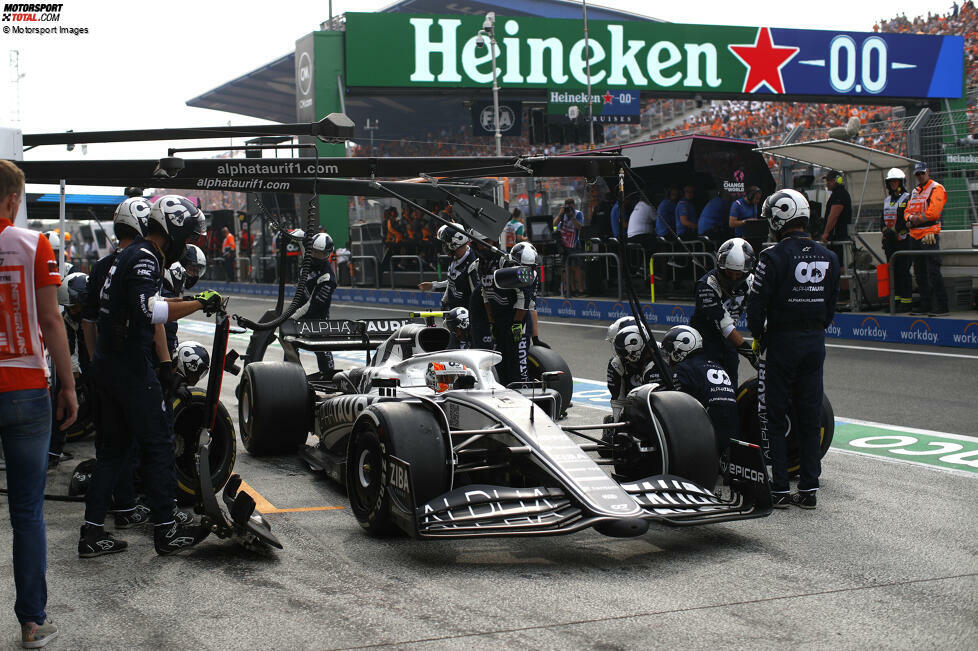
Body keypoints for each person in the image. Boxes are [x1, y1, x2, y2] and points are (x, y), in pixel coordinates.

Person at [80, 194, 220, 558]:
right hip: (129, 366)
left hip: (107, 366)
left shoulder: (123, 257)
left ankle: (92, 533)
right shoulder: (144, 258)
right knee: (159, 443)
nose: (187, 244)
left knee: (112, 452)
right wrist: (201, 303)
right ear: (172, 229)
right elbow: (150, 310)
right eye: (187, 235)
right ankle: (167, 529)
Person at [0, 160, 77, 648]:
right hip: (26, 386)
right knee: (27, 511)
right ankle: (32, 622)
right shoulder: (33, 245)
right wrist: (69, 386)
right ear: (12, 200)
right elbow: (52, 321)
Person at [747, 189, 840, 510]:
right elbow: (831, 307)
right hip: (815, 342)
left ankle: (781, 487)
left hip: (782, 343)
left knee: (774, 416)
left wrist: (759, 335)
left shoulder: (771, 257)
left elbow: (755, 307)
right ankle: (810, 487)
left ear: (778, 219)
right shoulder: (829, 257)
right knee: (810, 415)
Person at [660, 324, 738, 461]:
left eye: (670, 350)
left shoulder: (684, 368)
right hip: (733, 427)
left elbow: (679, 405)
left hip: (707, 429)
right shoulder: (715, 364)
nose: (668, 356)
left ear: (683, 347)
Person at [689, 237, 757, 388]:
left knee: (731, 388)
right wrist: (749, 353)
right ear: (720, 266)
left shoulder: (752, 282)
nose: (733, 278)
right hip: (703, 345)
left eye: (738, 274)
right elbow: (723, 324)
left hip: (729, 347)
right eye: (729, 273)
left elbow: (761, 311)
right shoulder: (706, 285)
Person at [478, 239, 535, 386]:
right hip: (499, 320)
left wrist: (517, 323)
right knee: (499, 359)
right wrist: (491, 322)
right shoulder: (481, 265)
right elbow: (485, 294)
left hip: (516, 320)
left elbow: (525, 298)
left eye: (530, 266)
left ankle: (522, 389)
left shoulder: (517, 272)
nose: (527, 269)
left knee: (518, 361)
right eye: (525, 265)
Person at [905, 162, 949, 316]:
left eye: (922, 173)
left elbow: (934, 213)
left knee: (933, 270)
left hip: (929, 234)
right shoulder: (915, 191)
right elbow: (907, 211)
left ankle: (942, 305)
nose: (920, 176)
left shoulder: (937, 188)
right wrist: (911, 218)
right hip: (915, 235)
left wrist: (915, 220)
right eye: (917, 174)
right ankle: (926, 304)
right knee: (919, 271)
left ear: (927, 172)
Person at [292, 232, 338, 376]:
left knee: (322, 349)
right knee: (290, 343)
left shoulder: (328, 278)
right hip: (298, 309)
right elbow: (298, 236)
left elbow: (313, 305)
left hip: (317, 317)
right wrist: (293, 235)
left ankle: (329, 376)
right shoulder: (308, 253)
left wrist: (292, 316)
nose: (316, 256)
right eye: (314, 252)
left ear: (327, 254)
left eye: (320, 254)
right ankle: (291, 374)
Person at [880, 168, 912, 313]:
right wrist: (884, 231)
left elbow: (905, 219)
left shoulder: (907, 198)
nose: (893, 184)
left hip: (902, 240)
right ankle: (896, 301)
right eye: (891, 181)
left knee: (903, 271)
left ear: (901, 182)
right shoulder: (887, 200)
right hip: (890, 241)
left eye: (896, 181)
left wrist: (896, 231)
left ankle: (906, 302)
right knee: (892, 272)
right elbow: (882, 220)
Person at [553, 198, 584, 296]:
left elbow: (579, 227)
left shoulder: (578, 214)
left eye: (570, 206)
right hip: (563, 245)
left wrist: (572, 217)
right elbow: (554, 224)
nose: (569, 209)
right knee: (566, 268)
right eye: (567, 207)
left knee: (576, 267)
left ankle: (580, 289)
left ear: (573, 205)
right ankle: (570, 289)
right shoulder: (562, 215)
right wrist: (560, 214)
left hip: (574, 243)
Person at [820, 170, 852, 246]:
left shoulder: (839, 194)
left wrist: (826, 233)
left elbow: (834, 215)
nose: (828, 183)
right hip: (837, 237)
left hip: (838, 238)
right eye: (827, 180)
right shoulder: (837, 194)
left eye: (831, 180)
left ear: (838, 180)